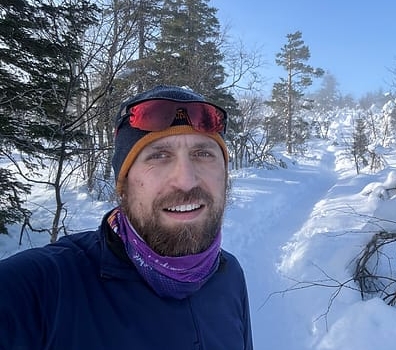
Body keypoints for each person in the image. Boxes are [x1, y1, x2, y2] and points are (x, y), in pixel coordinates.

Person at [0, 85, 254, 350]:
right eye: (159, 155)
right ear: (124, 184)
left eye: (203, 154)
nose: (186, 181)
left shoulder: (229, 276)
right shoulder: (44, 291)